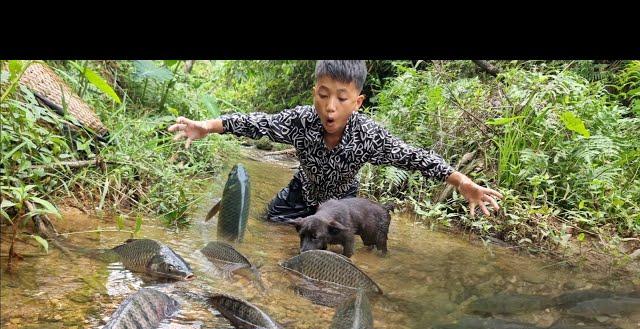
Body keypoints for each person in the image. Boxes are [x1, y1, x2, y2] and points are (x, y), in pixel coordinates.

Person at [168, 60, 502, 221]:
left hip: (341, 203)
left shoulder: (369, 136)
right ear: (315, 93)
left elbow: (412, 156)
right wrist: (208, 126)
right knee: (267, 227)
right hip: (299, 192)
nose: (330, 107)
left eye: (342, 98)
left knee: (334, 257)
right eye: (324, 95)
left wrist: (462, 183)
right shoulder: (300, 120)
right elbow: (257, 123)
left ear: (357, 102)